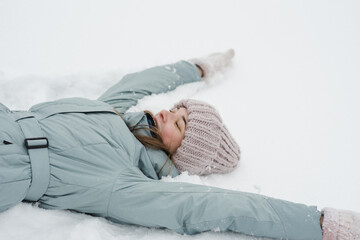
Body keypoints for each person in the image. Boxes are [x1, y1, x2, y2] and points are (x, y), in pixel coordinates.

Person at [0, 49, 359, 240]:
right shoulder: (115, 113)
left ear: (184, 151)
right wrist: (197, 67)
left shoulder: (128, 184)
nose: (167, 114)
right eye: (175, 109)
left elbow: (213, 205)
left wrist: (319, 223)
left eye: (180, 122)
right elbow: (138, 82)